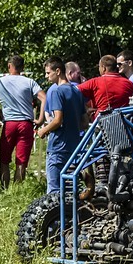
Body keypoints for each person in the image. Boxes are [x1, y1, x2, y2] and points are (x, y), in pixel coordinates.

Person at [0, 55, 45, 188]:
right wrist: (40, 119)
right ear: (22, 67)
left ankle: (5, 188)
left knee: (4, 160)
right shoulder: (29, 82)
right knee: (21, 162)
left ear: (9, 66)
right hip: (26, 124)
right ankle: (17, 190)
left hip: (9, 124)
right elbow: (44, 98)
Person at [37, 57, 88, 195]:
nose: (46, 76)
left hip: (58, 148)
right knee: (72, 190)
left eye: (48, 73)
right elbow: (84, 122)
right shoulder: (77, 91)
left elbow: (57, 120)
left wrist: (44, 130)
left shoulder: (55, 91)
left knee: (54, 191)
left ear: (58, 71)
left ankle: (56, 216)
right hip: (74, 146)